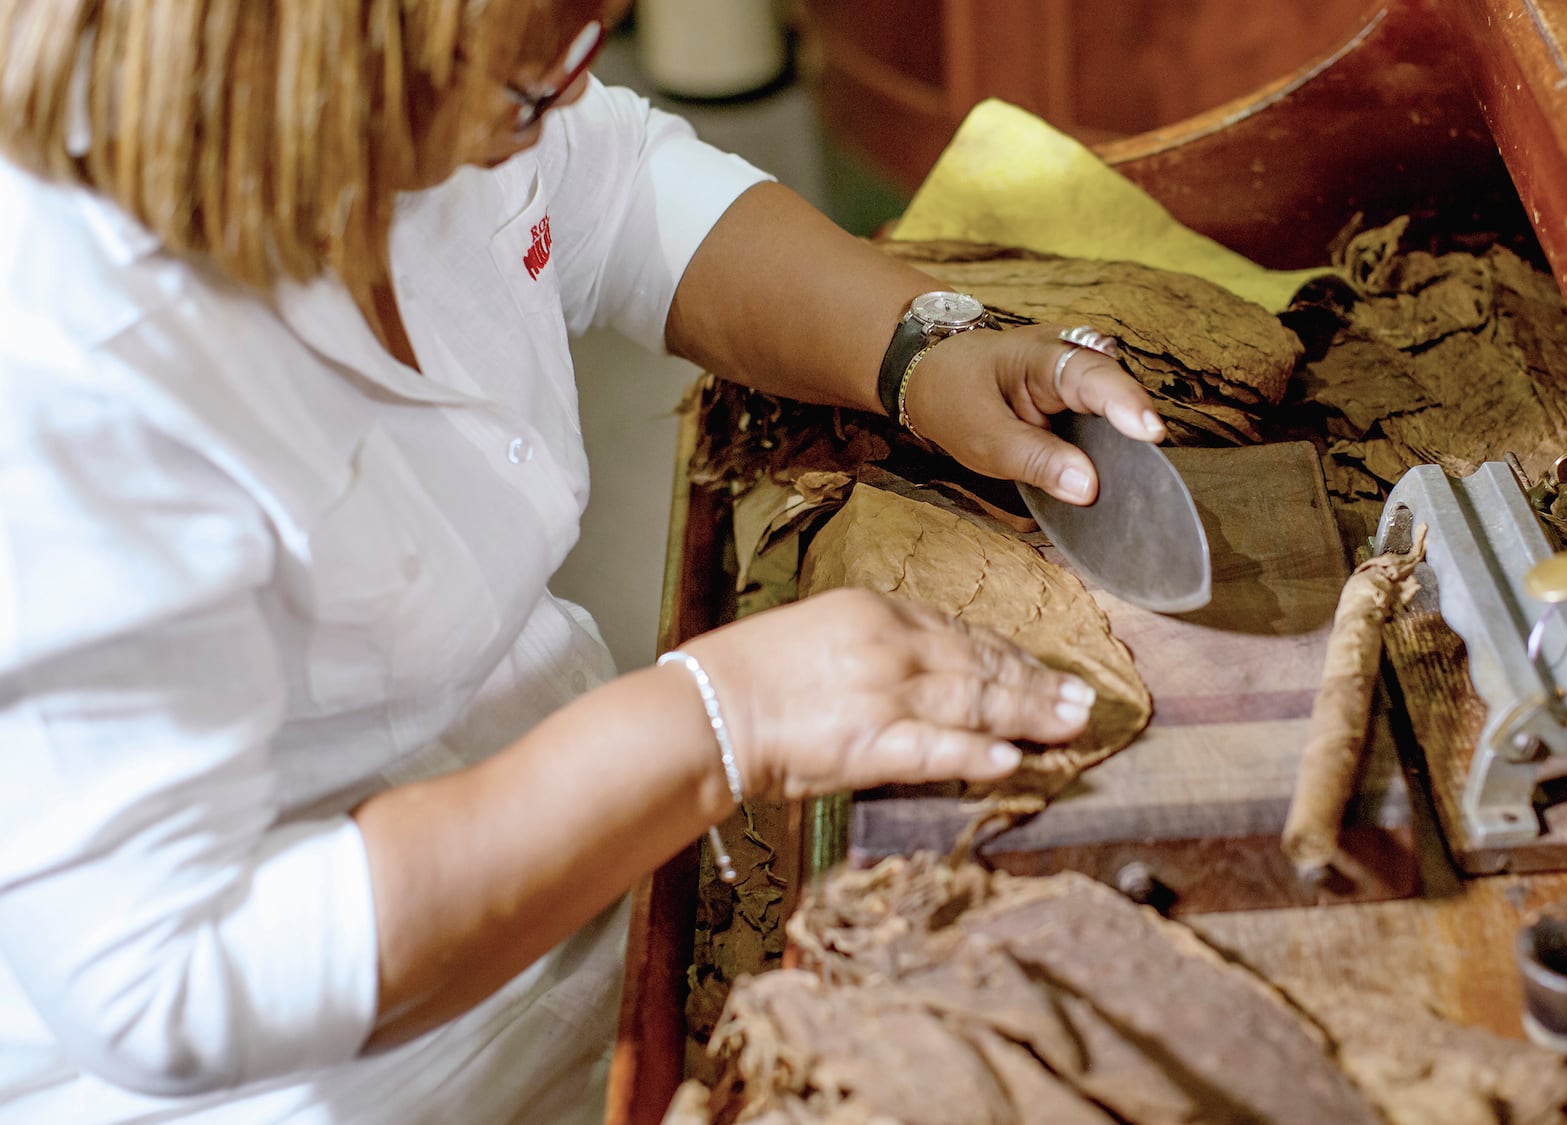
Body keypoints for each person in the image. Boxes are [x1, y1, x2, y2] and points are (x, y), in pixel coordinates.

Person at [0, 1, 1164, 1120]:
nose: (582, 55)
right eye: (526, 66)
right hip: (345, 1080)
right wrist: (720, 721)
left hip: (591, 896)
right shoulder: (67, 372)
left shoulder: (408, 89)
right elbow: (172, 982)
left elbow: (603, 187)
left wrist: (915, 347)